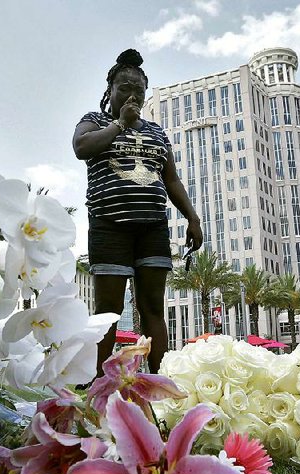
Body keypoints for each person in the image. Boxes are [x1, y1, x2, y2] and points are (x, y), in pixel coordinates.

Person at [72, 49, 203, 375]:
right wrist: (120, 124)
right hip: (109, 225)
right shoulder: (96, 120)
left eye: (139, 90)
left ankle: (159, 381)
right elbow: (81, 147)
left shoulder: (157, 132)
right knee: (108, 310)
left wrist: (193, 217)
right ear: (110, 91)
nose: (132, 94)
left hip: (152, 228)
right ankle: (96, 383)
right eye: (124, 87)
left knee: (152, 309)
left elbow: (170, 179)